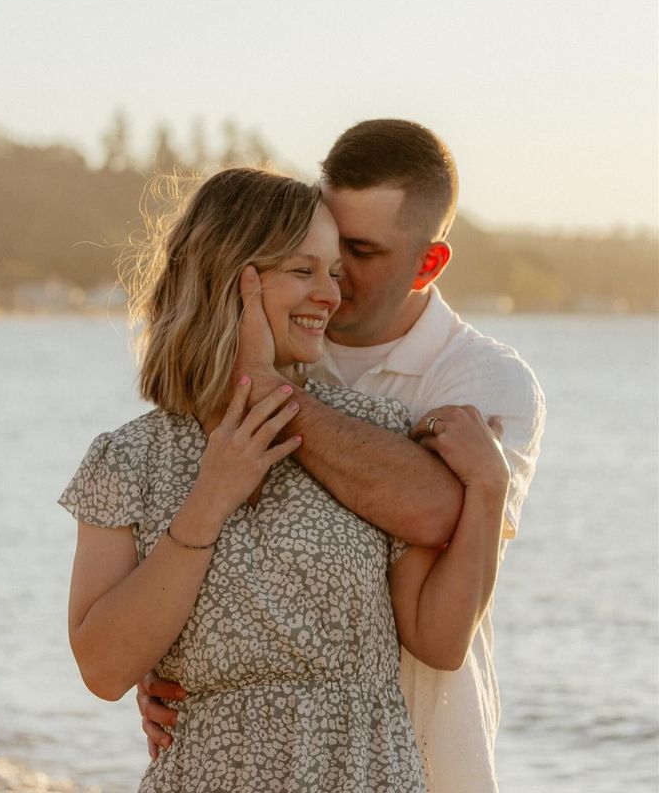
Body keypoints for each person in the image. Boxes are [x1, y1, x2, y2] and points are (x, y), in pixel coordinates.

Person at [60, 166, 511, 793]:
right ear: (226, 277)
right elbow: (105, 670)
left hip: (367, 774)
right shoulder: (128, 459)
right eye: (304, 271)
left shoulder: (376, 429)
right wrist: (210, 500)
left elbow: (439, 641)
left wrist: (490, 489)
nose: (331, 294)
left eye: (334, 272)